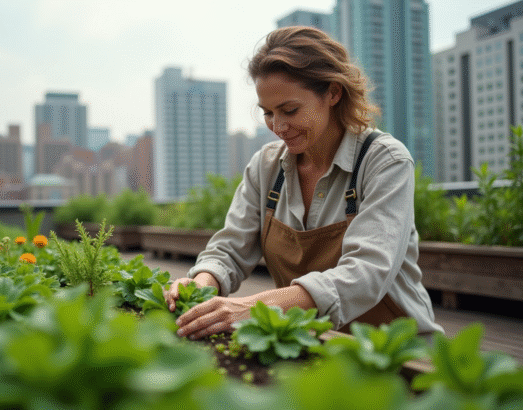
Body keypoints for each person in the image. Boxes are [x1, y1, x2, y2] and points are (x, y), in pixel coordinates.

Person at [165, 26, 444, 340]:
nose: (279, 127)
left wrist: (254, 307)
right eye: (268, 113)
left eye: (290, 110)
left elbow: (367, 272)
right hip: (312, 341)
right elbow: (229, 250)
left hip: (396, 350)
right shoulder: (265, 167)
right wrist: (201, 283)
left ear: (333, 93)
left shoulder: (385, 161)